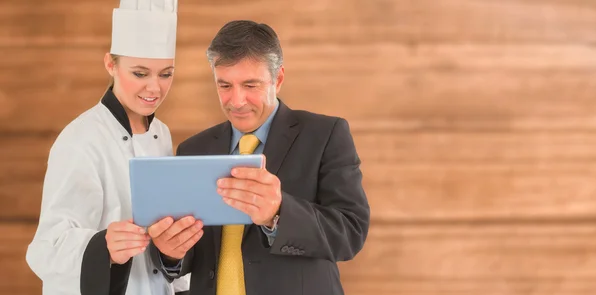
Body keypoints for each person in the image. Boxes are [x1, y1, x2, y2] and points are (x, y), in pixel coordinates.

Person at [144, 20, 371, 295]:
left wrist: (278, 213)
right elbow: (193, 254)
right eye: (224, 85)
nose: (236, 101)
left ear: (278, 79)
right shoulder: (193, 149)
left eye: (250, 85)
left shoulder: (325, 135)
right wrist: (171, 255)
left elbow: (350, 232)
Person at [25, 0, 195, 294]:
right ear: (110, 65)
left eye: (166, 74)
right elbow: (45, 249)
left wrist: (171, 253)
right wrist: (103, 246)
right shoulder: (80, 139)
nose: (154, 88)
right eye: (140, 73)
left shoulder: (162, 134)